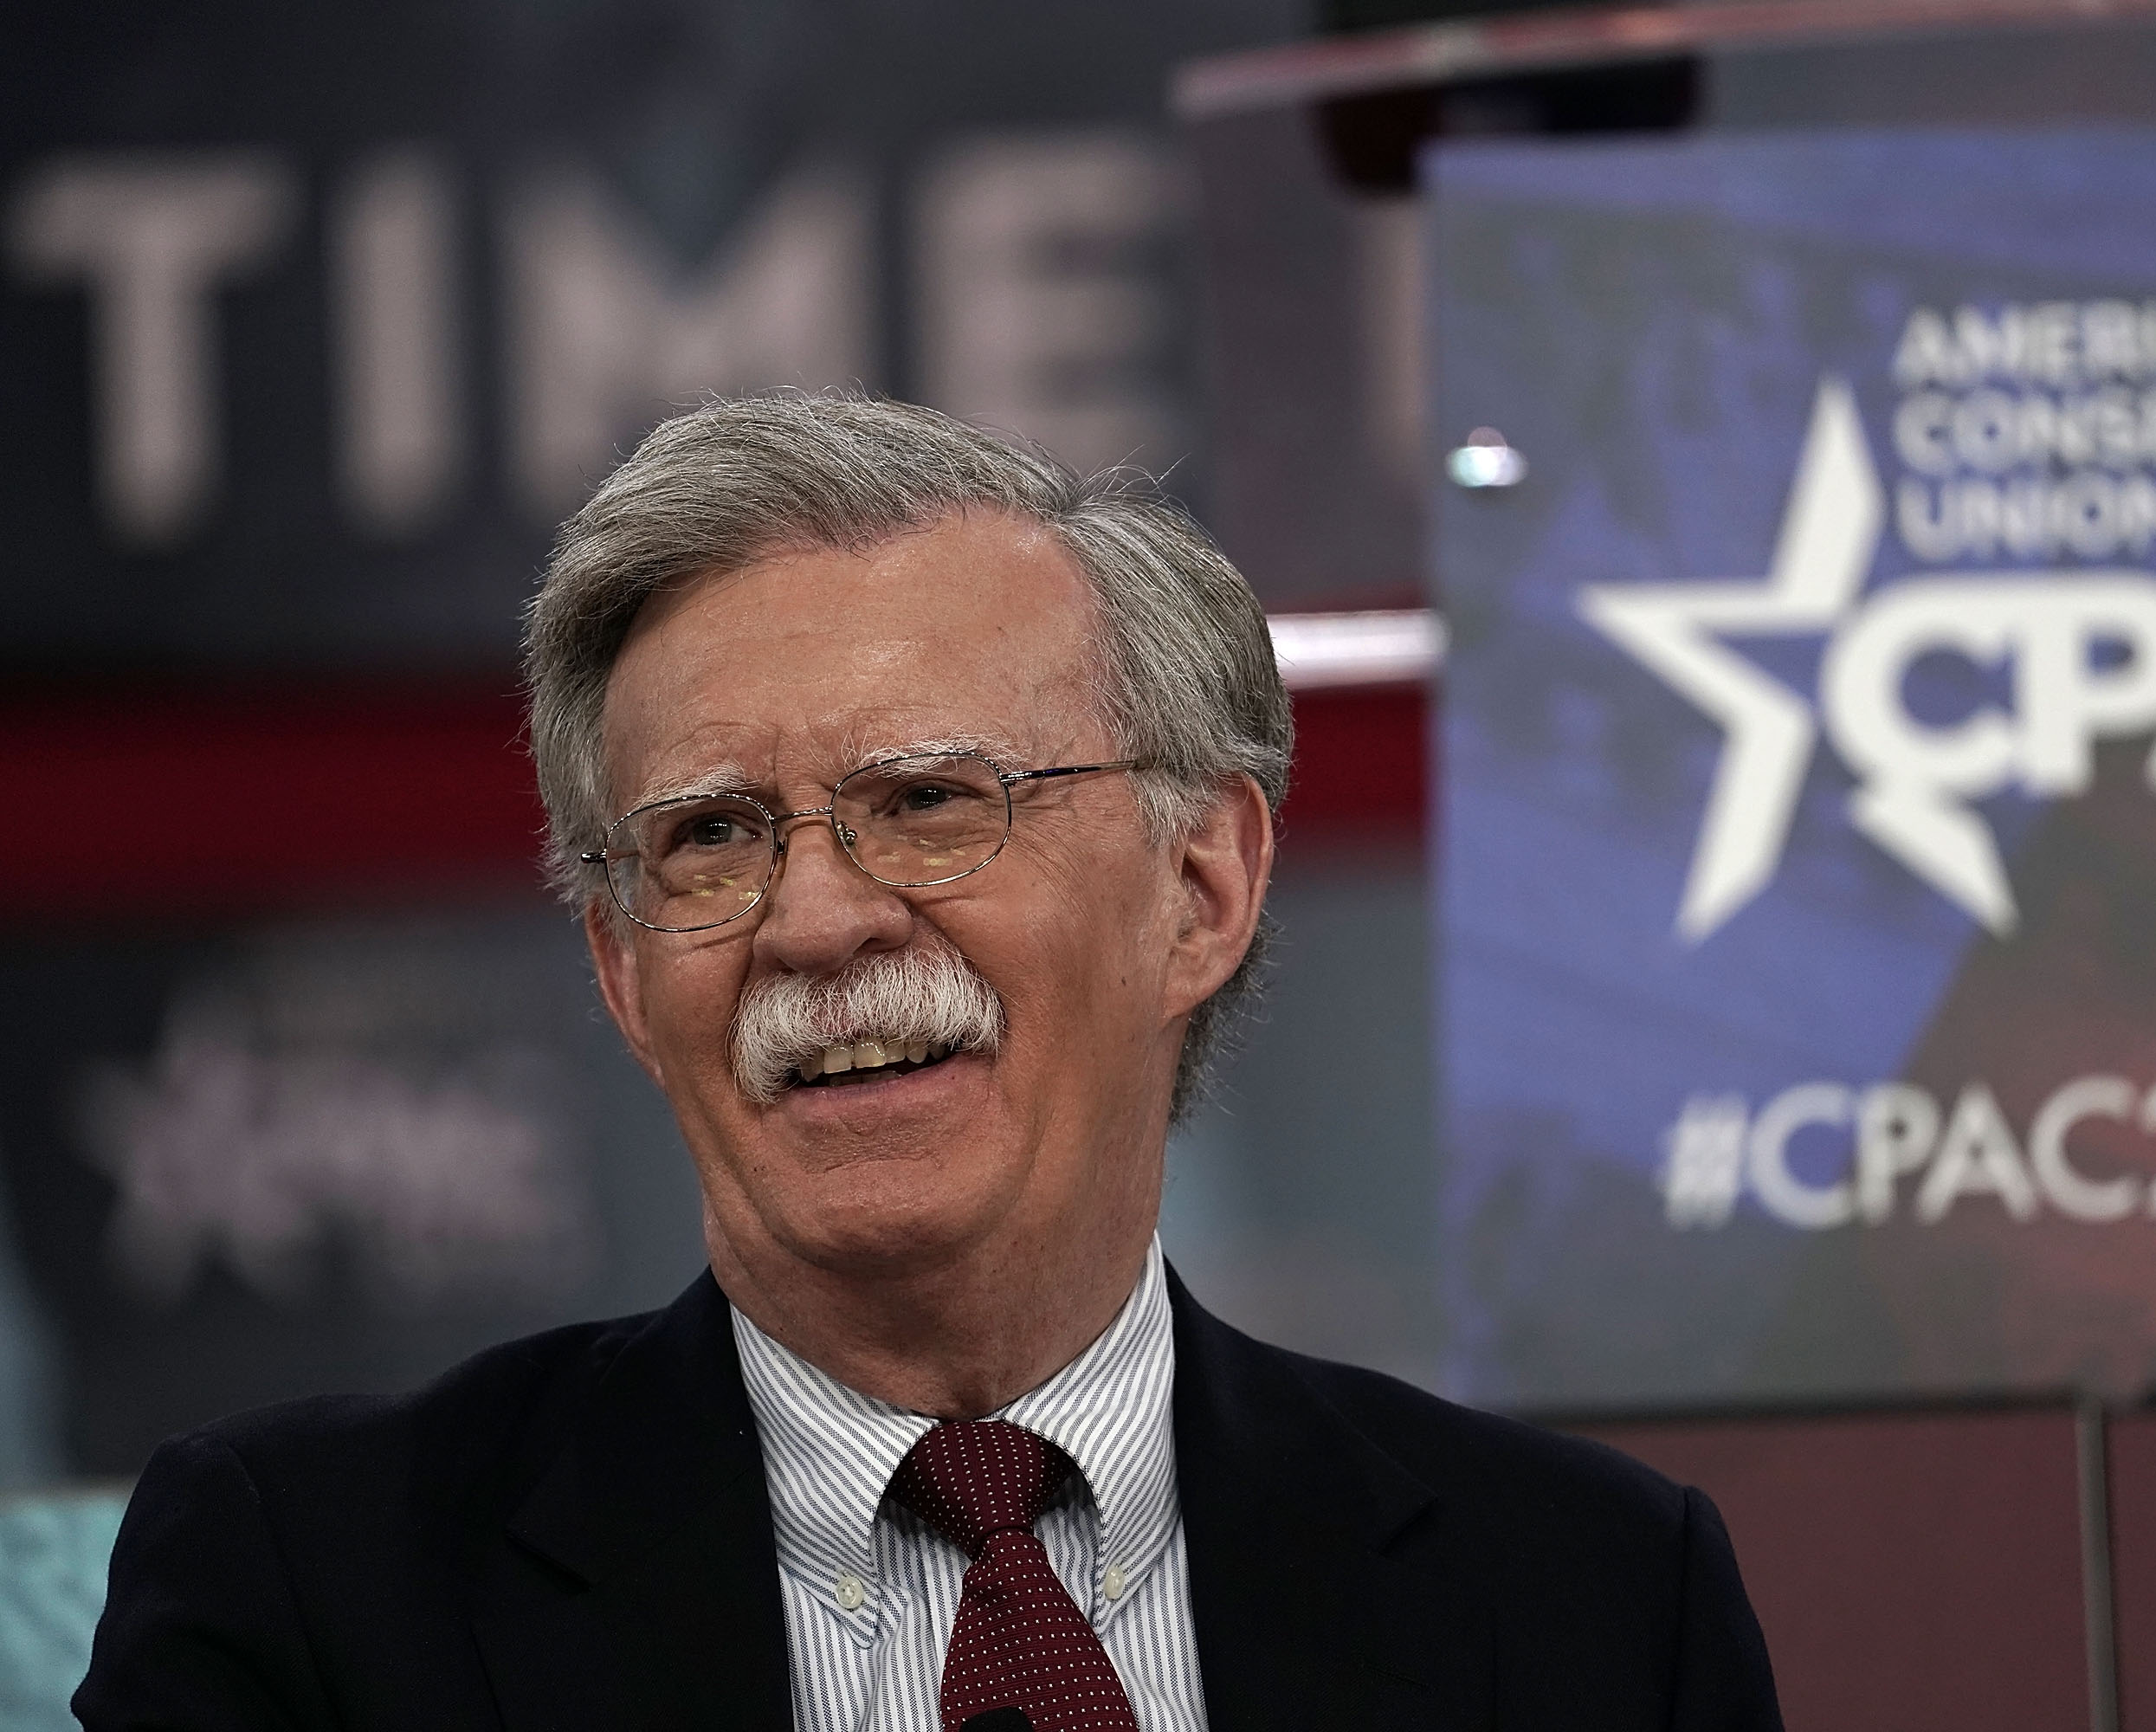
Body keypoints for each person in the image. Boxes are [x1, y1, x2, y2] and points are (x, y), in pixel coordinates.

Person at [75, 396, 1781, 1730]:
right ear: (618, 964)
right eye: (711, 840)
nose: (816, 923)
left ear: (1201, 889)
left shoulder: (1589, 1606)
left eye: (931, 804)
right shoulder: (311, 1590)